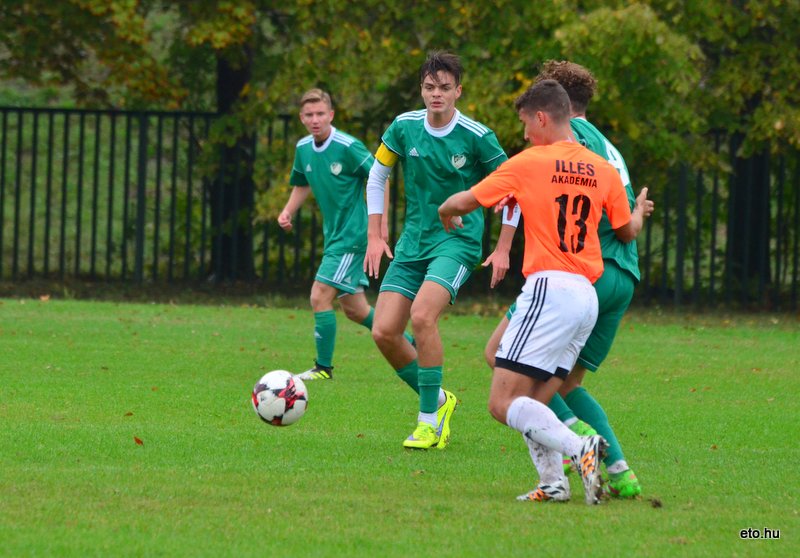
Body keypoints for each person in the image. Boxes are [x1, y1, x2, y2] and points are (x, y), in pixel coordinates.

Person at [438, 79, 651, 504]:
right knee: (536, 397)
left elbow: (465, 202)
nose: (522, 135)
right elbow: (626, 230)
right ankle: (553, 482)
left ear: (541, 117)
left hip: (549, 288)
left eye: (524, 124)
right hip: (585, 299)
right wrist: (640, 211)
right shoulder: (602, 169)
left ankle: (580, 447)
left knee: (502, 402)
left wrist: (444, 210)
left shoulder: (530, 161)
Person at [363, 51, 514, 449]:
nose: (437, 95)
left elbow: (513, 192)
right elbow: (377, 175)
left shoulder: (478, 137)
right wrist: (375, 236)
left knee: (423, 316)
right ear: (422, 90)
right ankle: (440, 400)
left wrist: (502, 248)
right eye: (430, 87)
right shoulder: (403, 127)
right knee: (383, 331)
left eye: (445, 88)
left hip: (458, 242)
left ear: (458, 91)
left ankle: (427, 423)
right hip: (414, 242)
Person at [278, 88, 389, 381]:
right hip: (335, 236)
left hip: (352, 236)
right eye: (309, 115)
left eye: (320, 114)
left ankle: (323, 368)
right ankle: (409, 345)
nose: (315, 120)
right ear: (302, 118)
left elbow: (379, 175)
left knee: (319, 296)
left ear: (331, 115)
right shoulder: (303, 149)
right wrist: (288, 211)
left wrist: (380, 226)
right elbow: (302, 182)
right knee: (355, 309)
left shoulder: (348, 146)